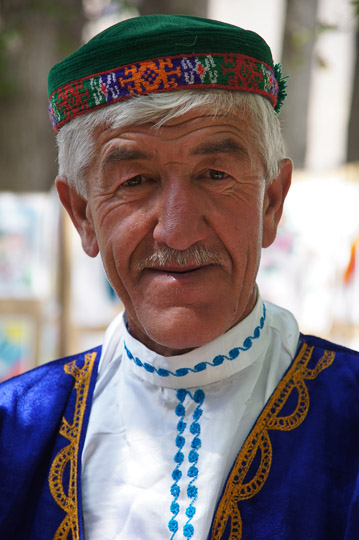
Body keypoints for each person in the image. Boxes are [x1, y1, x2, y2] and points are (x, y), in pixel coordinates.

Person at [0, 14, 358, 540]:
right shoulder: (14, 431)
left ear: (271, 203)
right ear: (82, 215)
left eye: (215, 175)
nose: (178, 230)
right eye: (135, 180)